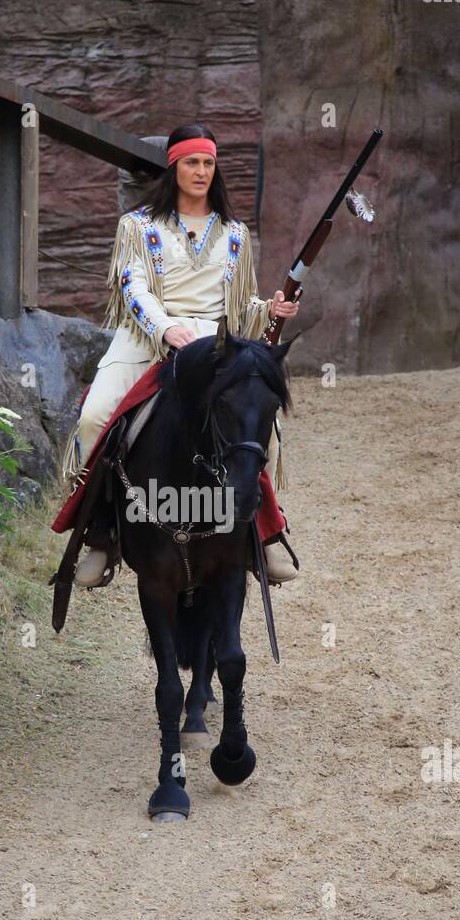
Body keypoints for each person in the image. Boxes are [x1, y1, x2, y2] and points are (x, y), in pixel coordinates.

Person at [62, 122, 300, 587]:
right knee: (94, 418)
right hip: (147, 338)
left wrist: (269, 308)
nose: (202, 171)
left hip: (214, 345)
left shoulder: (234, 233)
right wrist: (166, 328)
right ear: (173, 168)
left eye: (209, 163)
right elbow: (132, 289)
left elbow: (239, 308)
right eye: (192, 162)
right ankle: (102, 534)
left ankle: (261, 535)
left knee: (258, 429)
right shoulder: (137, 226)